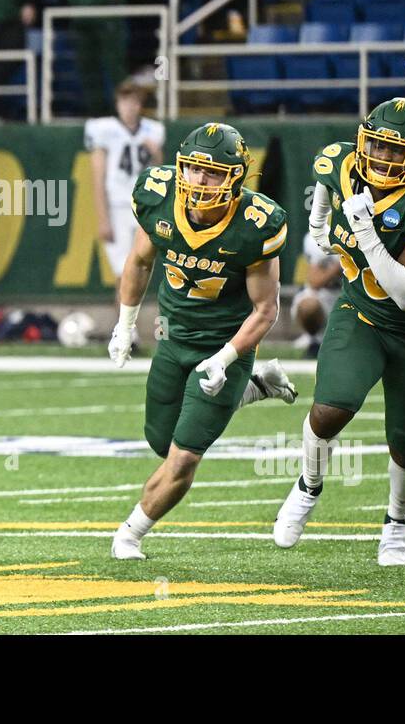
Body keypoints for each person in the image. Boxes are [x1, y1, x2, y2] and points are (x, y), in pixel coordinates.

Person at [273, 98, 405, 566]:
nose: (381, 157)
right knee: (329, 409)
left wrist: (363, 228)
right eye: (375, 145)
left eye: (395, 150)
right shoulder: (340, 161)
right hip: (359, 315)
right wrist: (320, 229)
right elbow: (322, 192)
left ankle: (398, 522)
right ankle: (307, 486)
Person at [106, 123, 297, 561]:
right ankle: (258, 388)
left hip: (226, 345)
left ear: (235, 177)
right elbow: (138, 260)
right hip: (173, 339)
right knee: (162, 441)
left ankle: (130, 533)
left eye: (212, 173)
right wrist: (125, 324)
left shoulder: (254, 224)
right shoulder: (158, 195)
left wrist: (228, 358)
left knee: (184, 458)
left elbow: (265, 310)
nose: (199, 181)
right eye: (193, 170)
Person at [85, 80, 165, 281]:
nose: (129, 107)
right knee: (124, 274)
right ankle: (124, 313)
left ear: (140, 105)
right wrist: (103, 218)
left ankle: (128, 313)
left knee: (138, 272)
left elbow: (160, 172)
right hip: (117, 207)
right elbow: (98, 177)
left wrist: (156, 153)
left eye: (133, 102)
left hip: (143, 206)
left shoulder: (153, 131)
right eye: (124, 101)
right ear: (117, 103)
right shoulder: (104, 130)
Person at [291, 231, 343, 358]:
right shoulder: (319, 235)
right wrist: (339, 266)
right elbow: (315, 281)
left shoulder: (362, 230)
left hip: (351, 296)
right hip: (324, 295)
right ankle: (314, 341)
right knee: (309, 307)